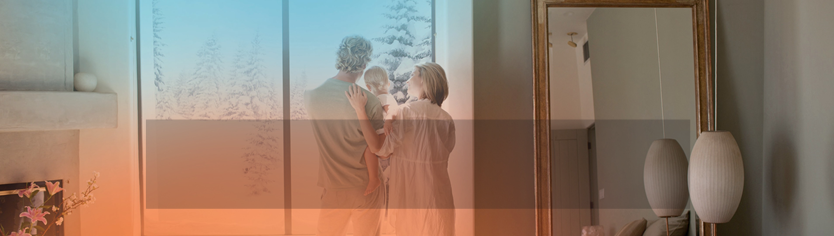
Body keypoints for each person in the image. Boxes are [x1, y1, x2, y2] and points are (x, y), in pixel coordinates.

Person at [345, 62, 456, 236]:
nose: (407, 81)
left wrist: (360, 109)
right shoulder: (447, 119)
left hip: (411, 201)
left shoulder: (406, 112)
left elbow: (378, 149)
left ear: (425, 80)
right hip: (440, 201)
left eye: (413, 74)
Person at [304, 36, 385, 236]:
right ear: (364, 64)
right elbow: (378, 149)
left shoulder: (311, 97)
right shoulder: (370, 101)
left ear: (340, 57)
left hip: (333, 189)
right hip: (367, 188)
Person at [360, 66, 398, 196]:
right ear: (388, 83)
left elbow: (392, 111)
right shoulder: (387, 96)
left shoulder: (383, 97)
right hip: (388, 140)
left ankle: (373, 178)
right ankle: (376, 177)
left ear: (369, 87)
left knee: (367, 148)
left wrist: (388, 121)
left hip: (384, 139)